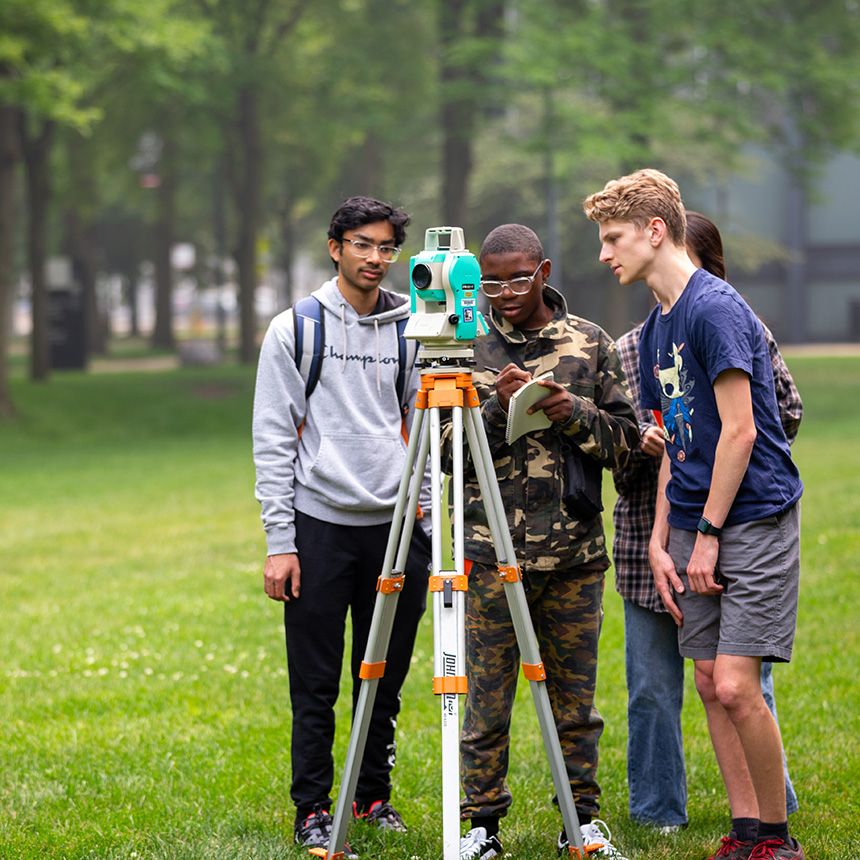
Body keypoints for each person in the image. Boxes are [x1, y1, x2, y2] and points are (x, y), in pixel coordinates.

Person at [583, 170, 805, 860]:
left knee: (738, 683)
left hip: (754, 518)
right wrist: (662, 539)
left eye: (613, 238)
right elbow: (679, 440)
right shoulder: (654, 331)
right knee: (708, 680)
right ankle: (743, 834)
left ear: (656, 231)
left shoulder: (714, 309)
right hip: (689, 525)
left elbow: (739, 433)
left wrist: (706, 535)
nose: (603, 254)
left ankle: (777, 838)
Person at [446, 223, 640, 860]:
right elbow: (446, 458)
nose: (503, 292)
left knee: (575, 702)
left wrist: (573, 414)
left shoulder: (589, 343)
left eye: (517, 278)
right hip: (489, 554)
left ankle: (580, 821)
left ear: (545, 272)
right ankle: (481, 825)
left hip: (574, 556)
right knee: (486, 701)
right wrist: (497, 409)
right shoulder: (462, 346)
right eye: (490, 280)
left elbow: (629, 447)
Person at [252, 196, 431, 857]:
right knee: (316, 684)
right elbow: (273, 439)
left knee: (381, 677)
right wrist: (281, 544)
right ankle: (313, 810)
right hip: (320, 526)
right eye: (363, 244)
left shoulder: (413, 326)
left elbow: (428, 425)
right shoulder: (296, 328)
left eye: (387, 248)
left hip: (395, 528)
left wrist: (427, 517)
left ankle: (372, 796)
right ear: (335, 247)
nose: (375, 258)